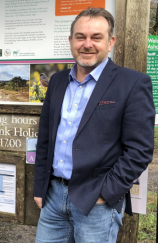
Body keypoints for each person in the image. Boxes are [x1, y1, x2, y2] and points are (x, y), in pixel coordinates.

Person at [33, 7, 155, 242]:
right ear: (71, 41)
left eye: (96, 37)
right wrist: (40, 187)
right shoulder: (58, 81)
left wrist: (105, 193)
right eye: (81, 37)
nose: (87, 44)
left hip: (97, 203)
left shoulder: (132, 83)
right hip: (53, 197)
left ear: (110, 42)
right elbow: (45, 138)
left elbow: (140, 150)